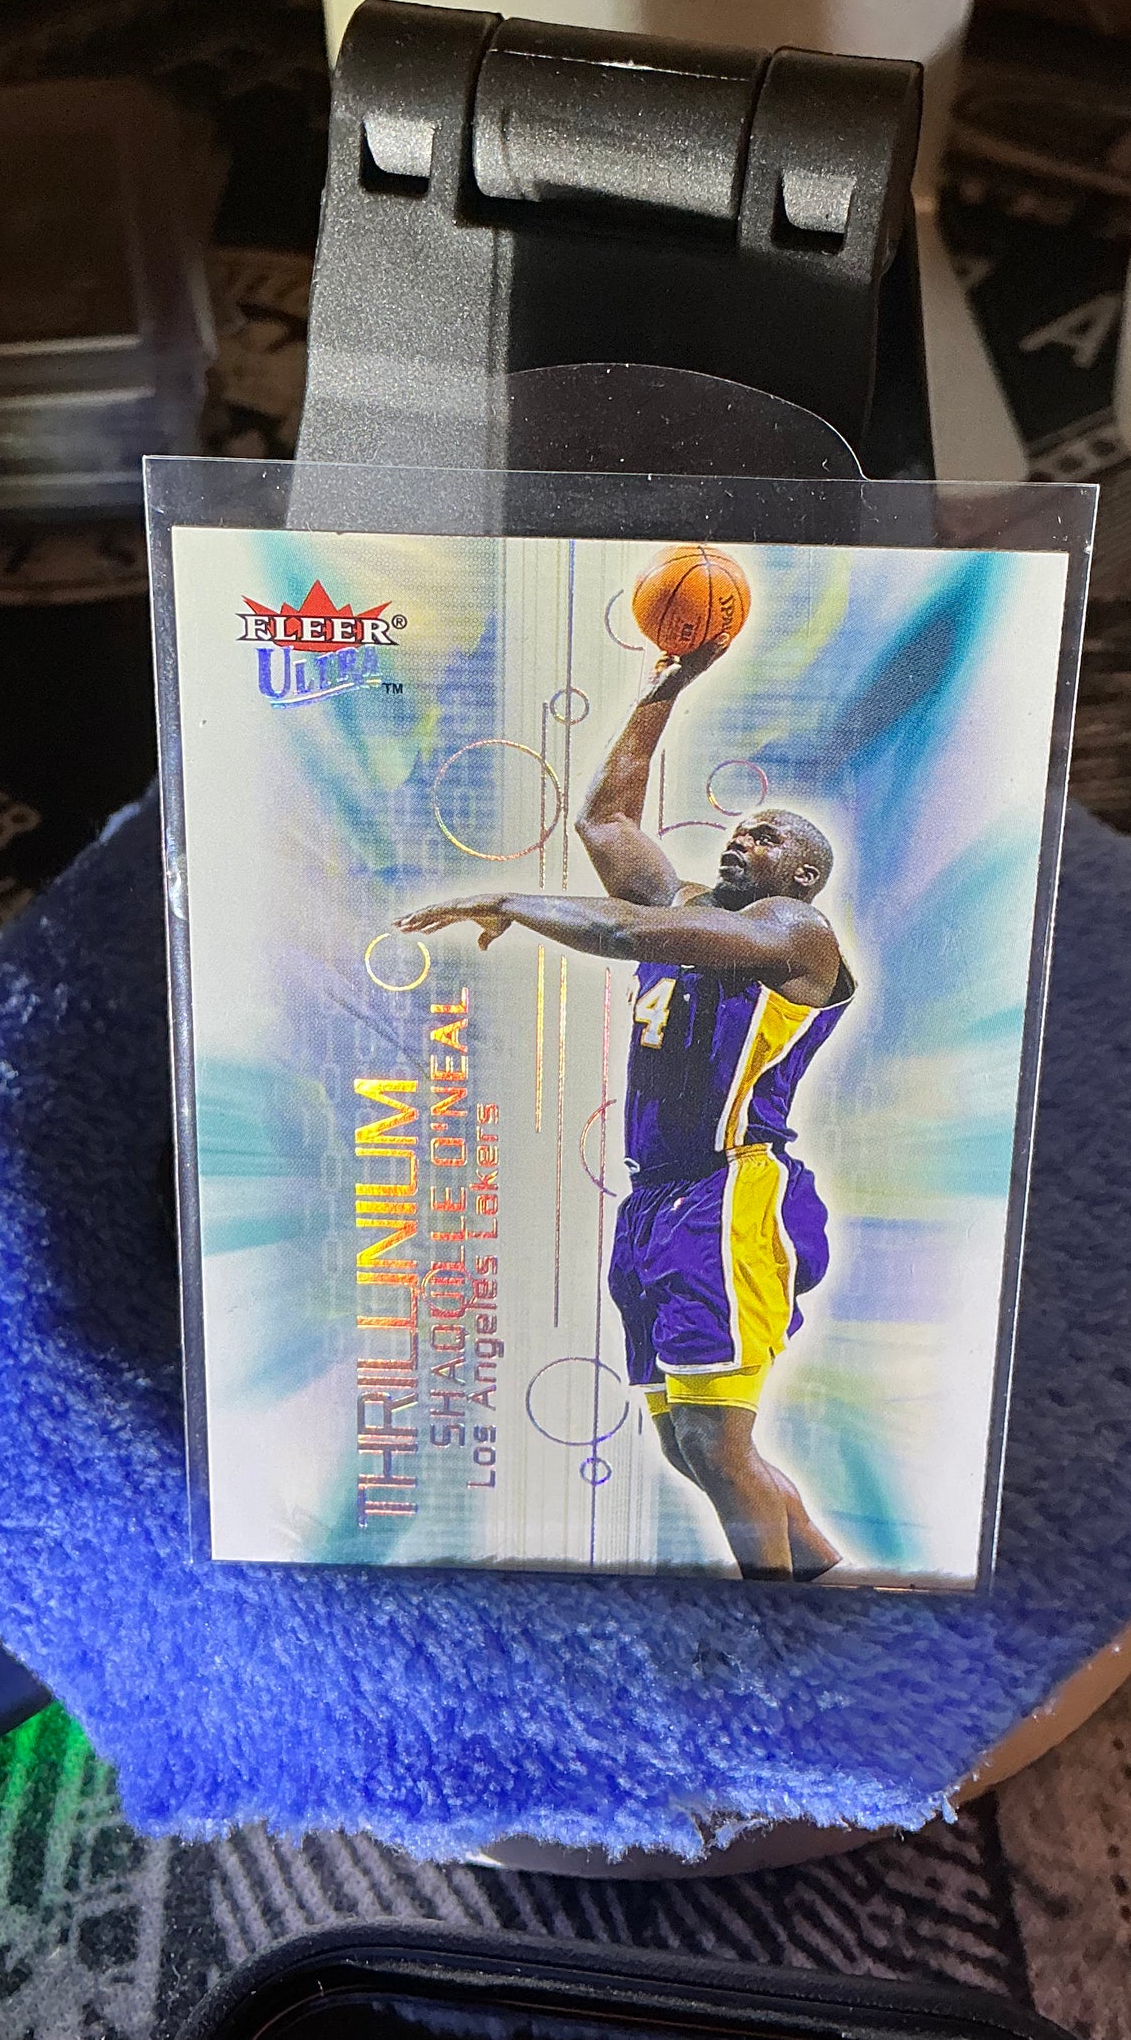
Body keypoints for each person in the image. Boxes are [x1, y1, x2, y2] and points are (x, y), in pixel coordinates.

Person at [398, 638, 853, 1581]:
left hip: (730, 1195)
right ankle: (824, 1583)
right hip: (655, 1203)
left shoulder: (794, 931)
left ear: (804, 874)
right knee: (688, 1447)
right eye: (741, 828)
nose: (743, 838)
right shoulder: (694, 906)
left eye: (769, 837)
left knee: (718, 1445)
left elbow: (622, 930)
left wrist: (511, 897)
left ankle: (772, 1633)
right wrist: (665, 686)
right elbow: (605, 822)